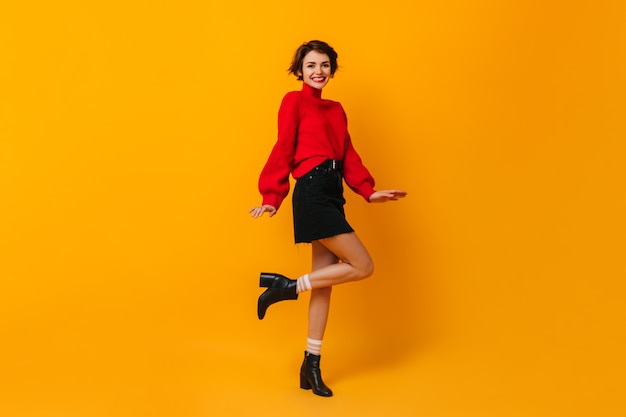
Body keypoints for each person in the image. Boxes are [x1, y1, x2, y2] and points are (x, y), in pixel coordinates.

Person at [249, 40, 407, 397]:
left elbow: (348, 153)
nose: (318, 71)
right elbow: (282, 146)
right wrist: (272, 196)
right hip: (312, 191)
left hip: (332, 191)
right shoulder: (293, 101)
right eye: (310, 66)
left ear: (331, 70)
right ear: (300, 72)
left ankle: (311, 363)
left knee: (324, 282)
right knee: (363, 265)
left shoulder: (336, 110)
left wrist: (368, 190)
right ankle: (286, 286)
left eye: (324, 65)